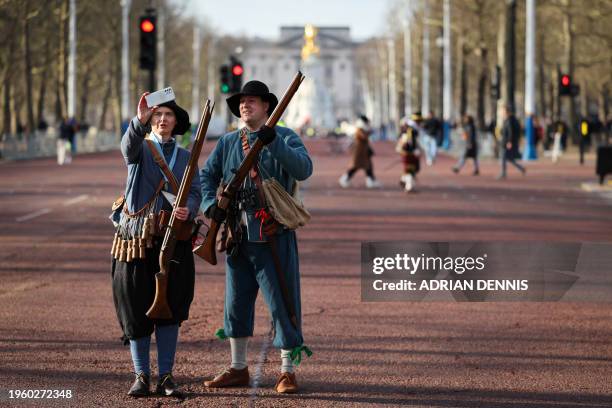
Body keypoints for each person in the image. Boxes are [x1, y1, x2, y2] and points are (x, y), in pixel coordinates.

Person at [199, 80, 313, 394]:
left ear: (266, 107)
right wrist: (211, 206)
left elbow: (304, 169)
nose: (245, 106)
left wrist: (273, 142)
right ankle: (238, 368)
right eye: (241, 102)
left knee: (282, 304)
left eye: (252, 101)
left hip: (274, 237)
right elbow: (206, 176)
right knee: (235, 305)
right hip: (238, 236)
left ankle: (287, 371)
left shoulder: (286, 136)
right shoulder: (227, 142)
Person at [111, 92, 202, 397]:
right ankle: (140, 375)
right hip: (136, 239)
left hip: (172, 238)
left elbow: (196, 191)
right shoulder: (140, 148)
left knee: (171, 306)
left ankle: (166, 376)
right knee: (136, 308)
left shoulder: (187, 156)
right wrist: (138, 120)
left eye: (168, 115)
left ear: (177, 122)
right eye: (157, 114)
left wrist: (187, 207)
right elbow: (126, 148)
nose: (163, 120)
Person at [338, 115, 383, 188]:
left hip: (364, 152)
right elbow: (363, 136)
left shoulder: (363, 129)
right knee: (355, 166)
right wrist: (369, 132)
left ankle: (370, 180)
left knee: (368, 166)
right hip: (359, 152)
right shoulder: (359, 129)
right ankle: (344, 179)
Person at [498, 105, 526, 179]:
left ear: (506, 112)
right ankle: (521, 168)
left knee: (504, 157)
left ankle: (503, 173)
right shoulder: (507, 120)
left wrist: (509, 142)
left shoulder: (509, 120)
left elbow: (510, 132)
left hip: (506, 141)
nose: (501, 113)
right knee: (509, 158)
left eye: (502, 111)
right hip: (505, 141)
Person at [396, 113, 422, 192]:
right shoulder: (411, 130)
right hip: (409, 152)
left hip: (408, 151)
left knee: (413, 168)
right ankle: (409, 186)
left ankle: (404, 179)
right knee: (410, 169)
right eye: (418, 121)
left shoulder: (410, 129)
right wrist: (414, 150)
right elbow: (409, 141)